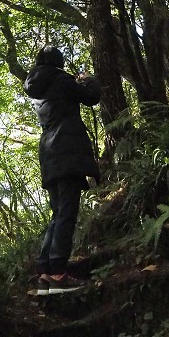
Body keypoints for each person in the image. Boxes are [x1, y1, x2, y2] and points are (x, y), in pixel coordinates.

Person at [24, 44, 101, 294]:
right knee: (66, 212)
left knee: (58, 213)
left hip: (48, 152)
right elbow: (92, 98)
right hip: (66, 150)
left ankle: (45, 272)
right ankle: (58, 273)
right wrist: (89, 80)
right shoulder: (61, 79)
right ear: (58, 61)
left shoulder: (37, 88)